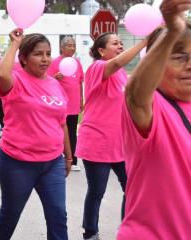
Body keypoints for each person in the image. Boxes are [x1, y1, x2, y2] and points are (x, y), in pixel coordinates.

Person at [0, 29, 72, 240]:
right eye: (38, 54)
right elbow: (0, 75)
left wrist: (68, 156)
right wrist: (15, 44)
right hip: (17, 162)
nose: (45, 59)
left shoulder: (54, 84)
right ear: (23, 58)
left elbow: (62, 123)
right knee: (10, 215)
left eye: (48, 53)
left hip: (52, 162)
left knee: (58, 216)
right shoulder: (15, 81)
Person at [118, 0, 191, 239]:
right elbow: (135, 91)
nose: (190, 65)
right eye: (179, 56)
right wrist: (172, 33)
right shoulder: (151, 107)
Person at [75, 31, 147, 239]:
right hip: (97, 143)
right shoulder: (97, 67)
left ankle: (127, 229)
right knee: (97, 192)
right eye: (115, 43)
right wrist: (144, 41)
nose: (120, 46)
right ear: (101, 50)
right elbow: (114, 64)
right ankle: (90, 233)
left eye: (121, 43)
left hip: (120, 144)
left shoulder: (121, 73)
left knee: (132, 189)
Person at [47, 36, 84, 171]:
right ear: (61, 48)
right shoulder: (55, 62)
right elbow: (46, 80)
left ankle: (73, 160)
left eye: (73, 45)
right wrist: (55, 78)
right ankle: (58, 157)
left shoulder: (77, 63)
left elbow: (80, 82)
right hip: (60, 104)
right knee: (60, 131)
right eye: (69, 45)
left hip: (74, 104)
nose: (72, 48)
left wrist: (81, 99)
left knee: (72, 131)